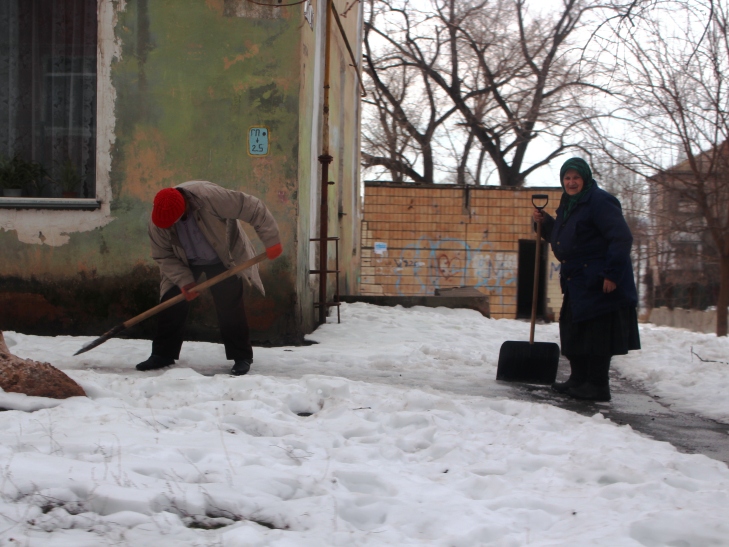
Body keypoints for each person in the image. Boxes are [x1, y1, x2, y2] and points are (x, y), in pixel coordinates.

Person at [136, 180, 282, 376]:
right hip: (184, 261)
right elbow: (163, 255)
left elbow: (252, 207)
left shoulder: (210, 197)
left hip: (222, 255)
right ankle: (163, 354)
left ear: (184, 210)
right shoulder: (159, 221)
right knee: (171, 302)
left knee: (229, 304)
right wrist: (184, 280)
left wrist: (271, 240)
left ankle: (241, 357)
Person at [533, 158, 640, 401]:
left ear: (585, 178)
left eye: (576, 178)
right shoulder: (569, 203)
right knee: (575, 331)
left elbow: (621, 238)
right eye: (567, 178)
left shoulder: (600, 201)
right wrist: (545, 222)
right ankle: (578, 380)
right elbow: (564, 238)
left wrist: (612, 274)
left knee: (597, 335)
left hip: (599, 279)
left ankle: (598, 386)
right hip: (577, 279)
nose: (571, 182)